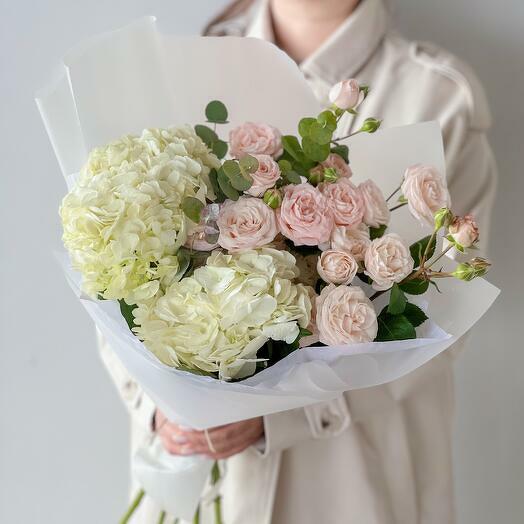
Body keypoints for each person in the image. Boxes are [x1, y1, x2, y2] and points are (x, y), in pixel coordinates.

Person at [98, 0, 497, 522]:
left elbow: (442, 325)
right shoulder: (181, 69)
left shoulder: (438, 96)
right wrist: (157, 406)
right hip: (190, 474)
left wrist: (281, 417)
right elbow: (118, 264)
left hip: (347, 482)